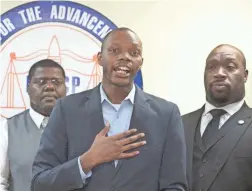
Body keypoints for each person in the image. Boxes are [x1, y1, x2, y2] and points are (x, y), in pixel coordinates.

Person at [31, 27, 188, 191]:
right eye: (115, 50)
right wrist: (87, 161)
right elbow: (40, 183)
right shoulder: (66, 110)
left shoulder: (166, 114)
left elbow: (174, 185)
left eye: (133, 53)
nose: (124, 57)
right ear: (100, 58)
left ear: (140, 62)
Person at [183, 44, 252, 191]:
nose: (219, 73)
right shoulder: (179, 125)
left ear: (245, 75)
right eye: (212, 67)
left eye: (230, 66)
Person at [0, 59, 67, 191]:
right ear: (28, 87)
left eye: (56, 82)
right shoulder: (7, 128)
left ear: (66, 88)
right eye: (41, 82)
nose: (49, 87)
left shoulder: (80, 127)